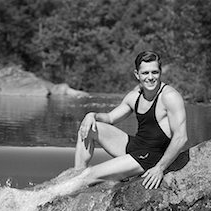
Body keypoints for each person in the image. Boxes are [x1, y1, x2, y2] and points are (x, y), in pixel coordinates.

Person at [73, 50, 188, 190]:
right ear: (137, 74)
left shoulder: (170, 97)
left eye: (155, 72)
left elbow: (181, 138)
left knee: (90, 175)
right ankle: (76, 175)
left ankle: (79, 181)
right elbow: (110, 118)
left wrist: (159, 168)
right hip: (137, 147)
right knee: (88, 127)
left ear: (160, 72)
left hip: (152, 156)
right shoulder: (134, 96)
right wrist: (92, 115)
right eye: (145, 73)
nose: (151, 77)